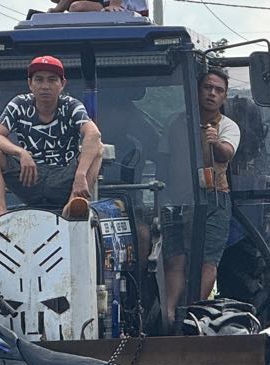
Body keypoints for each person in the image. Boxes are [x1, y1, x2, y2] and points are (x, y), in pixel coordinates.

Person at [158, 69, 240, 324]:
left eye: (218, 90)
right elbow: (164, 159)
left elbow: (227, 153)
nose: (212, 94)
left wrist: (214, 142)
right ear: (196, 91)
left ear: (224, 97)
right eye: (207, 87)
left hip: (213, 200)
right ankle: (169, 314)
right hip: (178, 200)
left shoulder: (227, 126)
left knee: (207, 260)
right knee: (175, 258)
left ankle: (193, 313)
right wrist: (162, 194)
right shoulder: (175, 123)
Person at [0, 55, 102, 219]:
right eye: (39, 80)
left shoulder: (72, 105)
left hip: (64, 178)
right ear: (30, 84)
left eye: (52, 80)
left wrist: (80, 175)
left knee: (98, 149)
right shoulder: (19, 104)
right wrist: (21, 153)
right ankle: (1, 215)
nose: (45, 86)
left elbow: (94, 134)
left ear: (62, 84)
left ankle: (73, 206)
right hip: (30, 176)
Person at [49, 0, 149, 15]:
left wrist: (114, 5)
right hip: (106, 5)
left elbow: (78, 7)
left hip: (127, 10)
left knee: (76, 7)